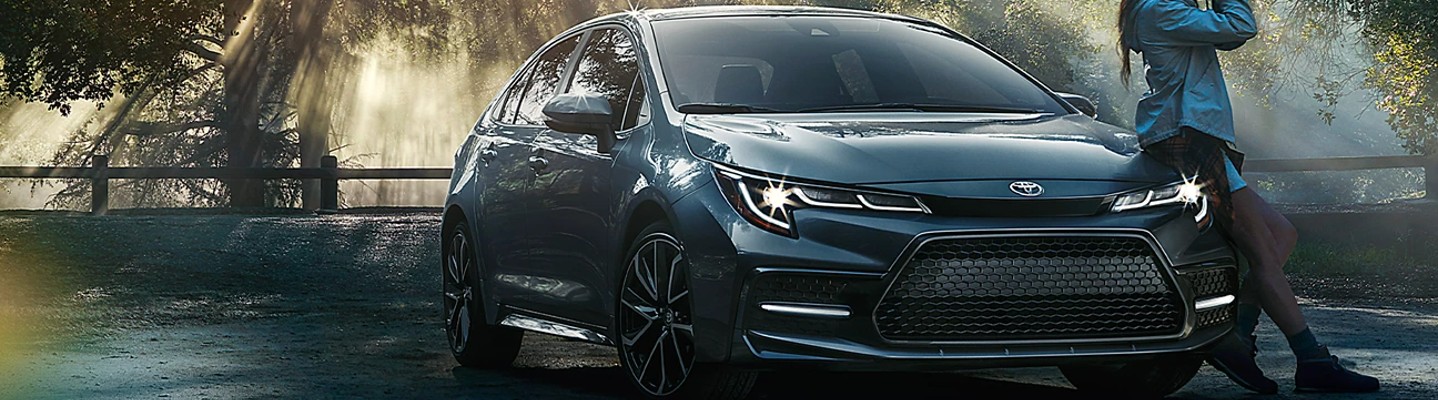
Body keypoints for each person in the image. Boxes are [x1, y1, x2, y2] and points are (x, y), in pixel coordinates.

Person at [1117, 0, 1380, 394]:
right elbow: (1240, 25)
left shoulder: (1170, 11)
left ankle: (1237, 333)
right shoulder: (1161, 10)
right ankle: (1311, 360)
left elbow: (1230, 37)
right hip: (1185, 138)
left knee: (1281, 235)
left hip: (1197, 138)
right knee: (1261, 250)